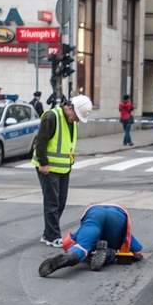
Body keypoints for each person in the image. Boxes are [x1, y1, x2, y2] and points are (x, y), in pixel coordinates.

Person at [32, 95, 93, 247]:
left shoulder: (72, 121)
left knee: (61, 202)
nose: (77, 120)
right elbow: (41, 141)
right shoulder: (52, 117)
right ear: (69, 108)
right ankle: (53, 236)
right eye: (77, 116)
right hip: (48, 167)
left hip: (64, 167)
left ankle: (48, 234)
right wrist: (43, 163)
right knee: (52, 202)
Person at [39, 204, 143, 277]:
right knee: (114, 249)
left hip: (94, 213)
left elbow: (67, 242)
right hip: (118, 216)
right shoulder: (122, 225)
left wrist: (81, 252)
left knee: (82, 246)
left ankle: (70, 256)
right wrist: (135, 255)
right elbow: (137, 251)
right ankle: (109, 253)